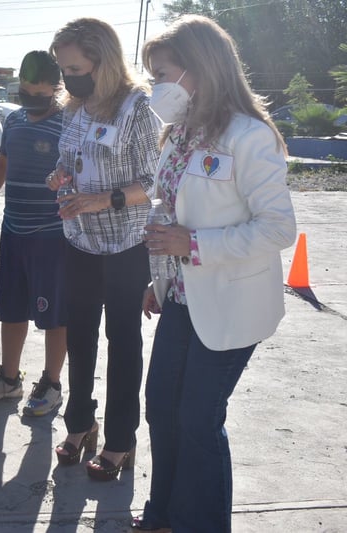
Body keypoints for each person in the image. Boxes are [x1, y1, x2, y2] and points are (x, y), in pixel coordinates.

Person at [134, 15, 296, 532]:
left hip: (231, 305)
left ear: (199, 69)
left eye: (162, 74)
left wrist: (195, 245)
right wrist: (160, 275)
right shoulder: (176, 134)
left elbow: (277, 228)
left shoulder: (250, 137)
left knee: (198, 420)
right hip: (181, 296)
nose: (156, 86)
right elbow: (173, 210)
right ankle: (164, 515)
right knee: (161, 409)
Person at [47, 18, 160, 479]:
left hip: (126, 247)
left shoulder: (138, 108)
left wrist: (103, 199)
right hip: (79, 242)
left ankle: (119, 439)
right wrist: (60, 177)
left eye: (74, 66)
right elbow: (66, 158)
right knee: (80, 337)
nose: (67, 77)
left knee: (123, 342)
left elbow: (154, 182)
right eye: (63, 69)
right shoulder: (75, 106)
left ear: (103, 61)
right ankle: (79, 425)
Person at [0, 51, 67, 417]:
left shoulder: (68, 123)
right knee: (11, 310)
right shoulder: (14, 120)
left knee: (56, 314)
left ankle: (52, 383)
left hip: (52, 235)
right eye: (26, 91)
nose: (32, 99)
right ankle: (9, 380)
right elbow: (2, 162)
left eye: (40, 93)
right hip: (14, 230)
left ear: (56, 89)